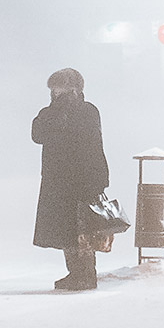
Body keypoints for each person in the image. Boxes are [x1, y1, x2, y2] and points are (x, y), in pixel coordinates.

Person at [31, 67, 109, 290]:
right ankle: (74, 272)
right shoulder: (51, 112)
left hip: (82, 181)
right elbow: (37, 134)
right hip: (58, 182)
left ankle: (86, 275)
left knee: (83, 230)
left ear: (73, 88)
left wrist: (99, 180)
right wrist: (56, 109)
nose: (55, 92)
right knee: (65, 229)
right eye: (54, 88)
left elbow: (88, 143)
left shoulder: (87, 111)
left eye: (59, 88)